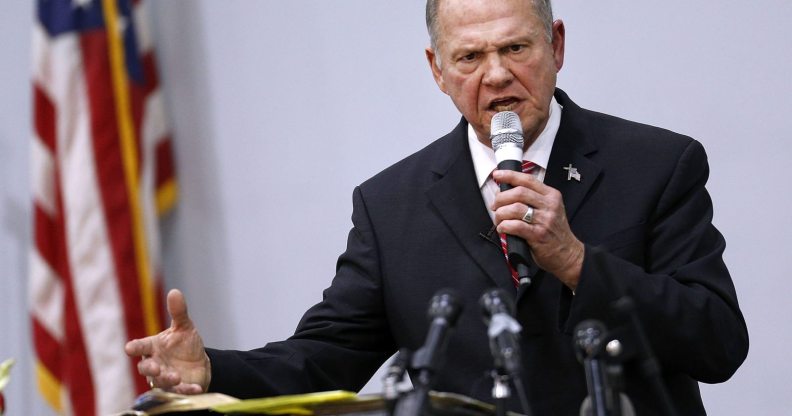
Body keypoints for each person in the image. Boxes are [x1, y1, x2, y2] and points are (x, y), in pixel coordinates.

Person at [126, 0, 749, 414]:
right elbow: (324, 357)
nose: (497, 75)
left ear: (556, 44)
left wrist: (579, 262)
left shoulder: (657, 164)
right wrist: (213, 370)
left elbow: (719, 343)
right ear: (437, 69)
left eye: (516, 48)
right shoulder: (390, 204)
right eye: (470, 57)